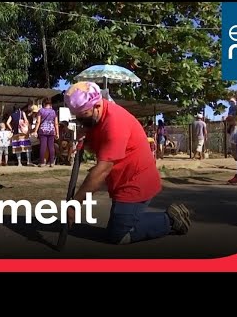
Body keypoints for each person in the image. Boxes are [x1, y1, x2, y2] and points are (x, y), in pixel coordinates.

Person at [63, 81, 191, 245]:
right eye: (78, 117)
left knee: (119, 236)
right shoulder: (97, 117)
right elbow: (98, 143)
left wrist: (75, 204)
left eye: (84, 116)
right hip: (120, 179)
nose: (81, 121)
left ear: (96, 105)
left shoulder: (115, 123)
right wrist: (84, 137)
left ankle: (171, 218)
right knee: (117, 227)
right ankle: (129, 221)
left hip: (135, 181)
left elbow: (101, 171)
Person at [33, 97, 59, 167]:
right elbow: (56, 123)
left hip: (43, 130)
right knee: (51, 146)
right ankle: (52, 162)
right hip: (51, 130)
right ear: (50, 103)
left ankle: (42, 162)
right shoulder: (54, 112)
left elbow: (38, 122)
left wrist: (35, 131)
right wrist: (57, 133)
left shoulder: (41, 111)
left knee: (43, 146)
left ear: (43, 103)